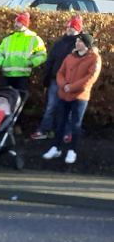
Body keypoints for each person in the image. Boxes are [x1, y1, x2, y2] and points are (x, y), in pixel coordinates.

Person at [42, 33, 101, 165]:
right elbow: (60, 72)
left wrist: (72, 87)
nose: (76, 43)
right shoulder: (70, 56)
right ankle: (56, 147)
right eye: (77, 41)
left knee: (75, 124)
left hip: (80, 96)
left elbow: (90, 78)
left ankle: (72, 150)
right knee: (61, 121)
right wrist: (64, 85)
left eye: (80, 41)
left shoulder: (94, 58)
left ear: (86, 45)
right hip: (64, 94)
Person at [31, 15, 83, 141]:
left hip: (72, 81)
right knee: (51, 106)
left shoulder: (80, 44)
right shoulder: (59, 43)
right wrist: (46, 77)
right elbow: (50, 60)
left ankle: (67, 133)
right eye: (69, 26)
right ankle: (45, 130)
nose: (70, 29)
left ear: (79, 29)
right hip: (55, 79)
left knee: (69, 108)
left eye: (73, 27)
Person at [0, 12, 47, 91]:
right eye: (16, 22)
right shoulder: (8, 39)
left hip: (22, 76)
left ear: (24, 24)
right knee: (5, 99)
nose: (16, 24)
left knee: (19, 98)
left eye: (18, 22)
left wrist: (32, 62)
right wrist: (1, 62)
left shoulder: (34, 39)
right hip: (6, 75)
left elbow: (42, 54)